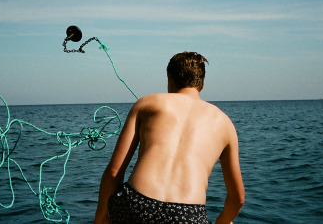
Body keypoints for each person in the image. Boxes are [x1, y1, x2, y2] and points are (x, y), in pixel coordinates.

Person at [93, 52, 244, 224]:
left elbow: (114, 172)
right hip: (187, 215)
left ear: (169, 78)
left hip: (136, 204)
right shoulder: (224, 123)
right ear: (202, 84)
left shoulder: (147, 103)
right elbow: (237, 199)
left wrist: (100, 218)